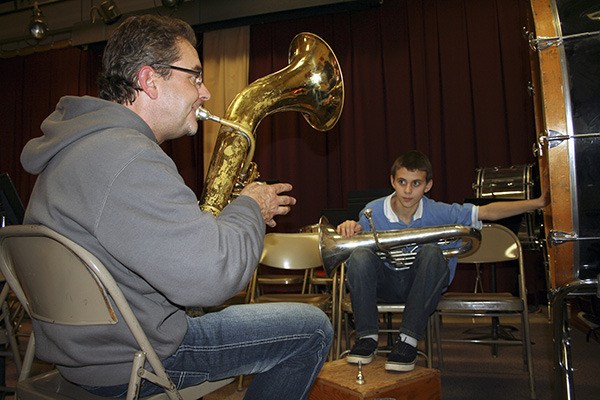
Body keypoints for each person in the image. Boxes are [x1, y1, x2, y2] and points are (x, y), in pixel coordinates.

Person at [20, 14, 332, 399]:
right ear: (150, 80)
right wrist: (250, 205)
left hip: (85, 356)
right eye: (195, 76)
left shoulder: (75, 150)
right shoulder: (129, 157)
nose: (205, 93)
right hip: (140, 357)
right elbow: (213, 278)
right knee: (312, 328)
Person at [336, 150, 548, 372]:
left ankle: (407, 342)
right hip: (384, 285)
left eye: (416, 183)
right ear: (392, 181)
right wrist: (350, 227)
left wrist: (537, 202)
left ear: (428, 185)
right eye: (402, 182)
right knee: (359, 256)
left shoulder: (439, 211)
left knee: (431, 253)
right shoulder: (373, 211)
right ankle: (367, 339)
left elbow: (487, 212)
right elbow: (360, 249)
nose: (407, 191)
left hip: (422, 287)